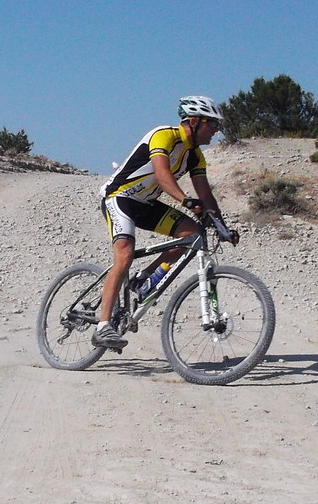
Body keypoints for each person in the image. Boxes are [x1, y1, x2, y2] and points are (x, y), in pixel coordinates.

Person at [93, 94, 239, 350]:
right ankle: (102, 326)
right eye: (212, 124)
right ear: (194, 121)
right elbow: (162, 175)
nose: (216, 130)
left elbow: (206, 195)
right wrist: (185, 200)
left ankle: (145, 278)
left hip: (146, 204)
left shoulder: (196, 156)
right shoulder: (164, 136)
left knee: (192, 234)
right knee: (125, 254)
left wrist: (222, 226)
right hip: (120, 197)